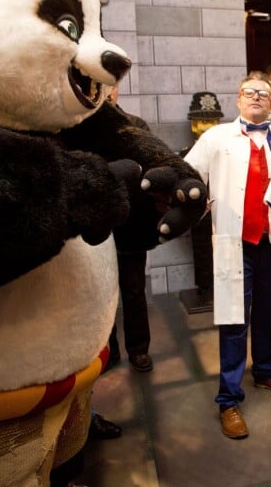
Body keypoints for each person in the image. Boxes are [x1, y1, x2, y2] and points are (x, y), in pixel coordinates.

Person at [184, 75, 271, 439]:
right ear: (238, 99)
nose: (257, 98)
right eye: (250, 93)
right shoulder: (215, 138)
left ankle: (266, 371)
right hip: (235, 242)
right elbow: (188, 176)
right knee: (234, 319)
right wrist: (199, 198)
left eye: (264, 94)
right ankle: (228, 399)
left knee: (267, 311)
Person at [106, 86, 153, 373]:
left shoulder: (136, 126)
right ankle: (108, 351)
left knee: (134, 290)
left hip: (131, 223)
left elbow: (151, 168)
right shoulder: (81, 129)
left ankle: (138, 349)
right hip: (99, 224)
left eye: (110, 86)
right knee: (103, 294)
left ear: (116, 90)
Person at [179, 91, 224, 312]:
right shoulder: (187, 154)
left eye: (212, 120)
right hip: (200, 210)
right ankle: (205, 289)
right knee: (201, 249)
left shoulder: (226, 151)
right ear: (194, 124)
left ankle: (221, 288)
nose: (208, 125)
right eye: (204, 120)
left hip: (224, 208)